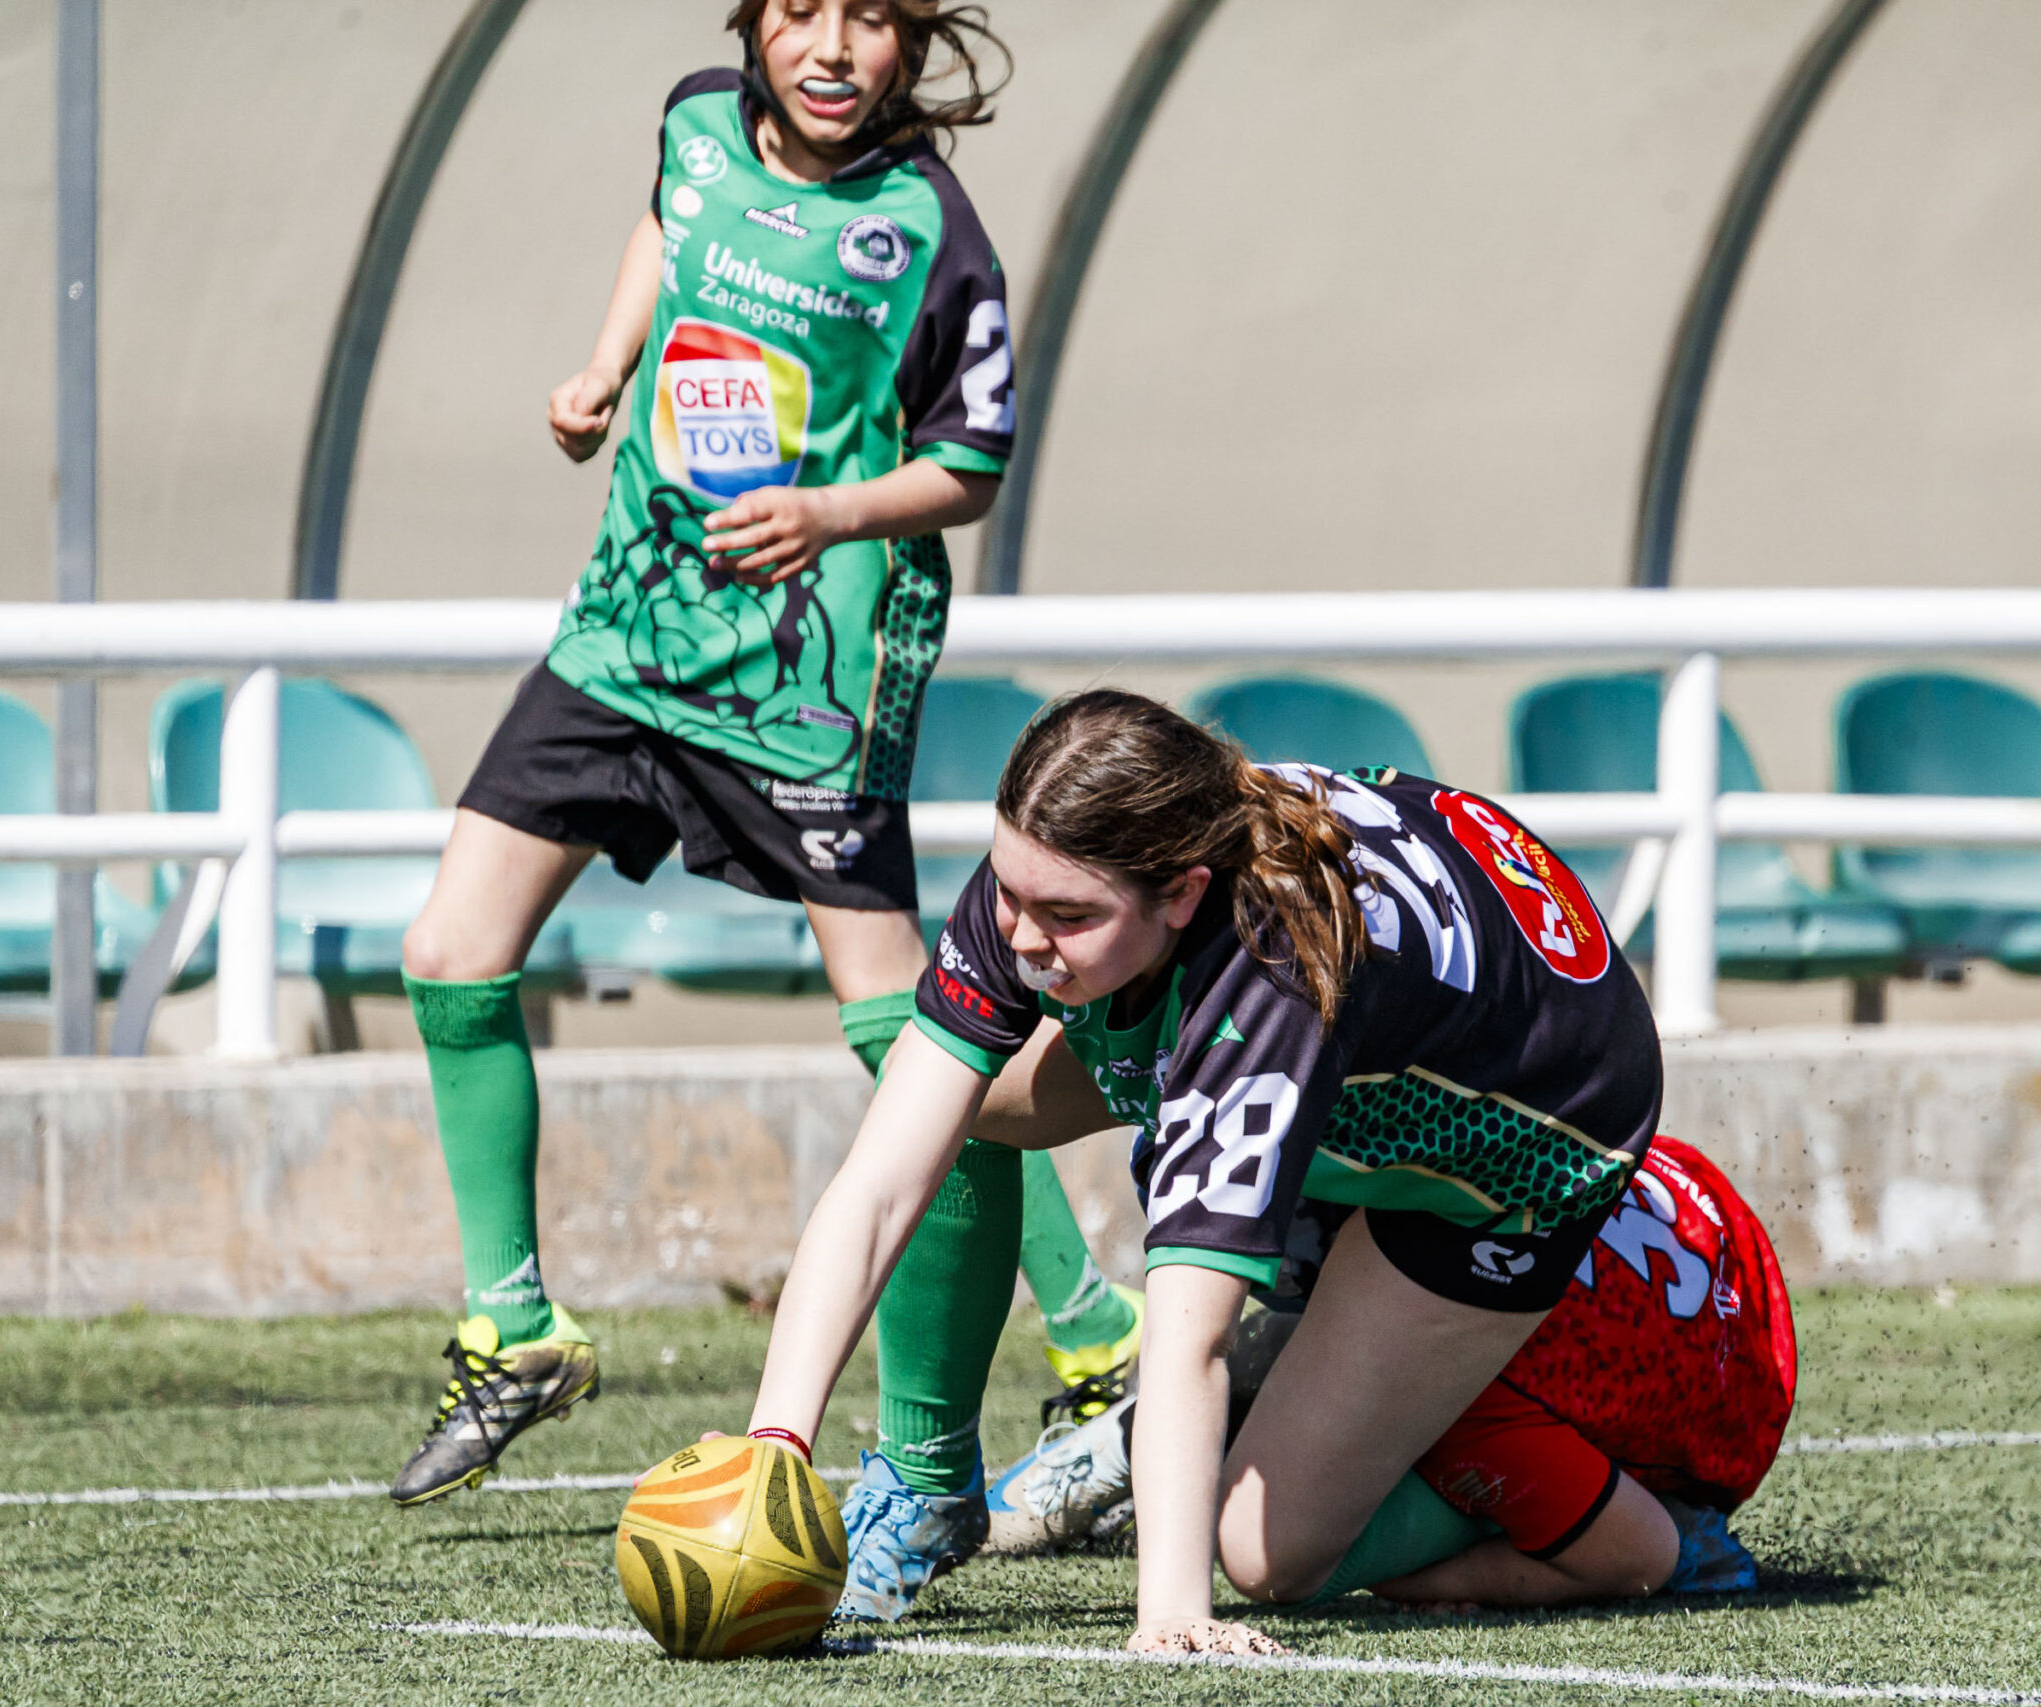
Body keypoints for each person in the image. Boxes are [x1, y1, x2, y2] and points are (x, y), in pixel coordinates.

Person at [387, 0, 1143, 1518]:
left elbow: (972, 462)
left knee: (909, 1026)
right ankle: (516, 1328)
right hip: (629, 631)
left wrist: (828, 513)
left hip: (810, 669)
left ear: (911, 43)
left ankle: (1093, 1328)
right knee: (450, 951)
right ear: (751, 21)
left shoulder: (927, 227)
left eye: (871, 18)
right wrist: (604, 367)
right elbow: (664, 228)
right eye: (801, 9)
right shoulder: (692, 121)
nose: (832, 46)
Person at [738, 690, 1667, 1652]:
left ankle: (1610, 1514)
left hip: (1534, 1144)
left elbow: (1191, 1334)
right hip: (1375, 1040)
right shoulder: (1053, 866)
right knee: (943, 1099)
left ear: (1183, 892)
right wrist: (773, 1448)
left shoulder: (1271, 973)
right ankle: (927, 1482)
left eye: (1067, 915)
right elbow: (881, 1181)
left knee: (1266, 1553)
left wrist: (1173, 1615)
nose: (1019, 938)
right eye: (1009, 892)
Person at [983, 1134, 1794, 1610]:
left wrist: (1433, 1578)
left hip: (1709, 1419)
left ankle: (1120, 1453)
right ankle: (1115, 1453)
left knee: (1267, 1539)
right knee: (1288, 1375)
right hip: (1707, 1225)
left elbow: (1643, 1554)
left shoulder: (1462, 1372)